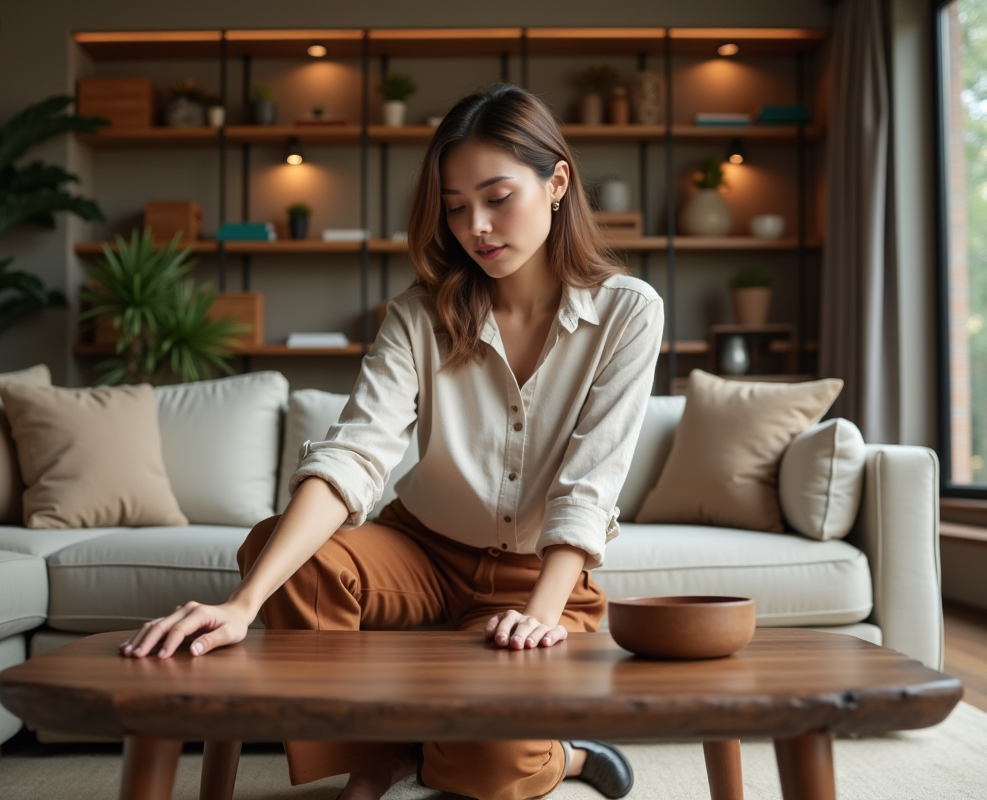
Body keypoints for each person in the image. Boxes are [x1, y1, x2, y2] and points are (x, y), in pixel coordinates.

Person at [120, 83, 665, 800]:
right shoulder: (418, 315)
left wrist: (538, 618)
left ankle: (562, 756)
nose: (477, 227)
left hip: (540, 576)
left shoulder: (628, 312)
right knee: (281, 551)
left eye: (498, 198)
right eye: (456, 206)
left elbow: (590, 483)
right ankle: (376, 756)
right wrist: (243, 605)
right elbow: (356, 451)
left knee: (493, 768)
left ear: (557, 182)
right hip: (421, 552)